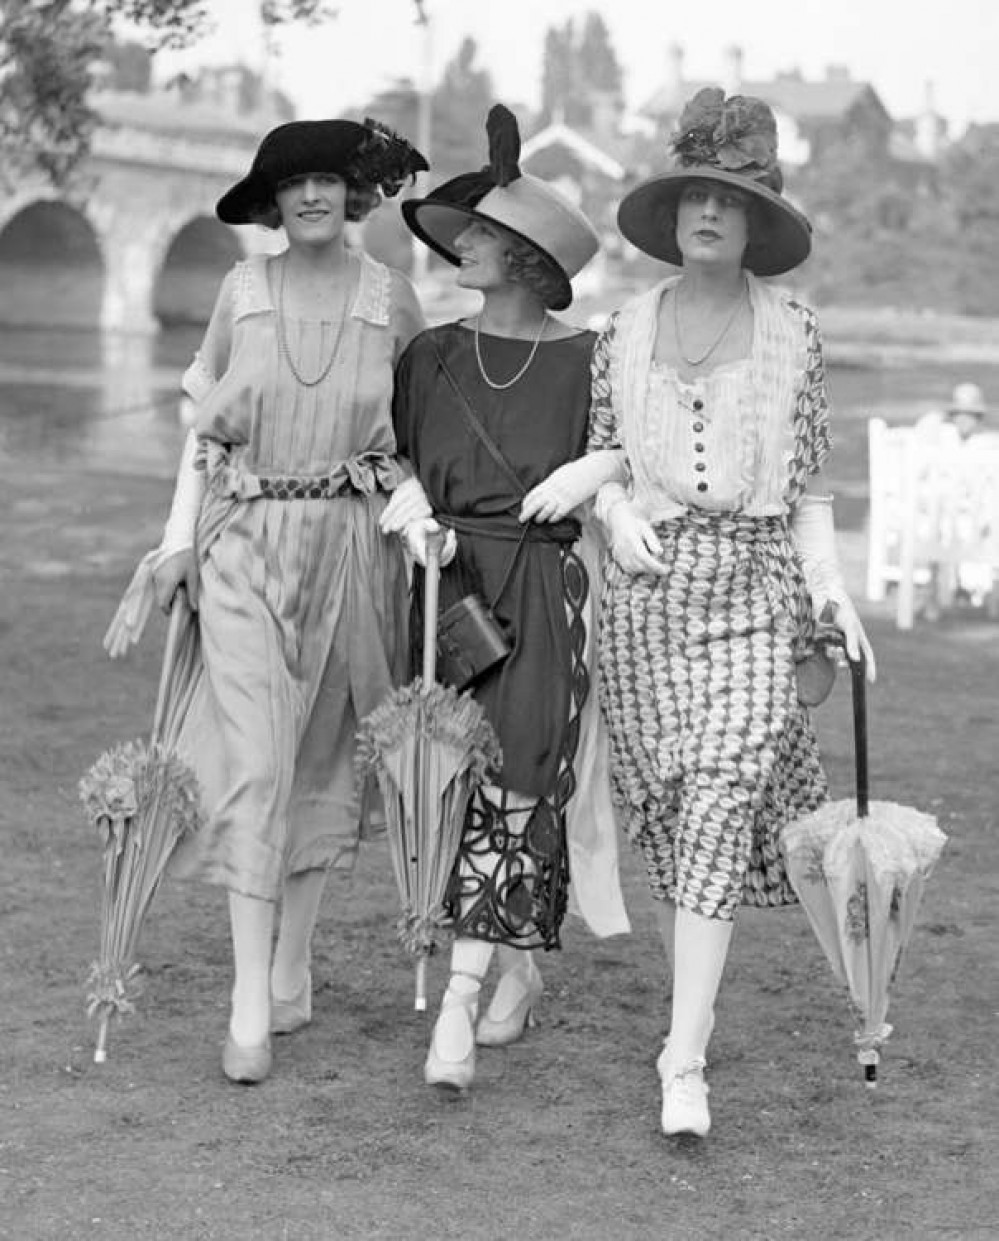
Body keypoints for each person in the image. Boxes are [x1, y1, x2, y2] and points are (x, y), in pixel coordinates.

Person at [104, 118, 428, 1084]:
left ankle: (293, 966)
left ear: (355, 195)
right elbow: (203, 432)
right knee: (252, 764)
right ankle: (250, 995)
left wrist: (418, 519)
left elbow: (423, 437)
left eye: (330, 180)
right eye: (295, 185)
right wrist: (173, 543)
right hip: (243, 545)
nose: (314, 197)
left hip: (351, 550)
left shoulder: (394, 300)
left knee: (324, 759)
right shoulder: (240, 291)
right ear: (272, 201)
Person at [586, 87, 876, 1137]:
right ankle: (686, 1017)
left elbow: (809, 492)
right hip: (644, 608)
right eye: (694, 194)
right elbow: (607, 451)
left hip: (756, 592)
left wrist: (832, 592)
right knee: (670, 816)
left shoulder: (795, 334)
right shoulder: (619, 329)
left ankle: (684, 1057)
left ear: (758, 223)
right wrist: (614, 511)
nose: (709, 212)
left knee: (719, 796)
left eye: (731, 198)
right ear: (672, 214)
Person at [380, 105, 630, 1092]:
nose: (462, 245)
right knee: (452, 784)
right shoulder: (427, 355)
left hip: (547, 584)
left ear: (529, 257)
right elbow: (395, 451)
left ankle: (456, 1004)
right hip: (447, 586)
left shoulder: (590, 359)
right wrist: (408, 506)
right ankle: (516, 963)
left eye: (483, 233)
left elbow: (631, 455)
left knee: (519, 778)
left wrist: (598, 471)